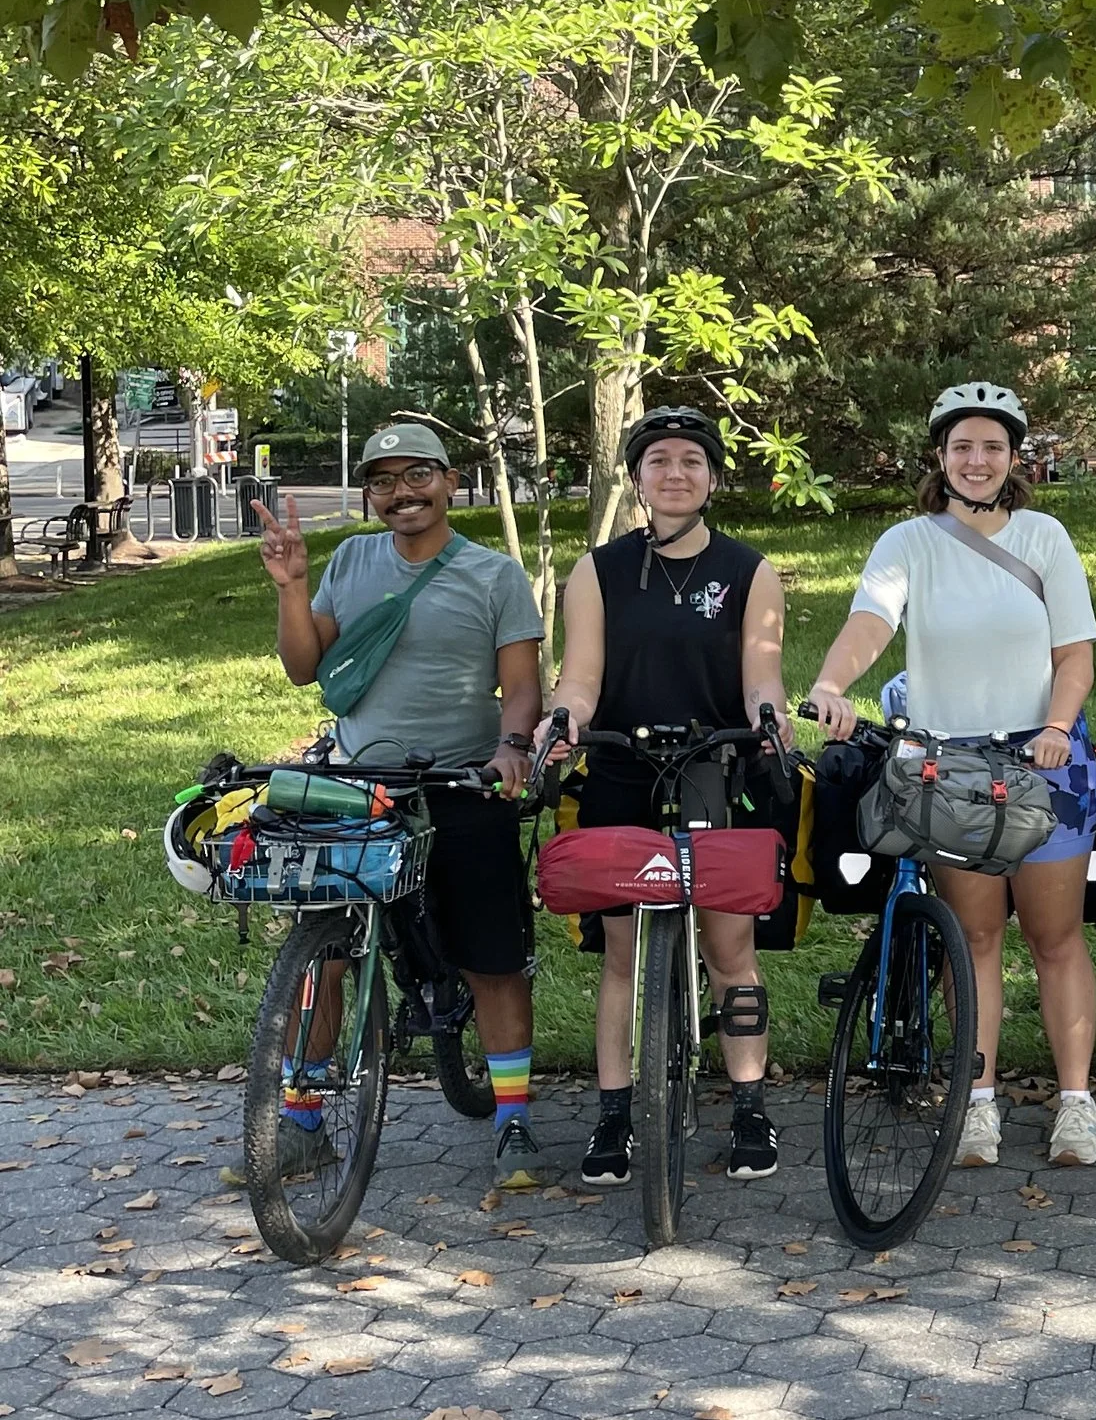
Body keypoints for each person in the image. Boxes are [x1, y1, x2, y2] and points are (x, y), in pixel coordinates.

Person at [809, 384, 1096, 1167]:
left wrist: (1055, 727)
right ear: (940, 456)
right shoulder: (908, 541)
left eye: (993, 447)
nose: (977, 460)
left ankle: (1076, 1103)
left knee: (1054, 936)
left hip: (1043, 762)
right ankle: (978, 1101)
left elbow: (1075, 654)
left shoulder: (1044, 536)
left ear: (1015, 458)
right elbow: (871, 621)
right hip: (952, 770)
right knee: (974, 936)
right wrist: (832, 682)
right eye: (963, 446)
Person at [254, 417, 544, 1169]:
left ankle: (512, 1118)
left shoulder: (494, 575)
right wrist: (291, 587)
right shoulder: (352, 560)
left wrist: (511, 750)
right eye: (382, 480)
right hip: (358, 788)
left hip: (461, 779)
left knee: (491, 956)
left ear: (451, 481)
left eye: (418, 474)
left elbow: (521, 689)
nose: (401, 492)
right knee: (323, 952)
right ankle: (302, 1121)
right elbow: (302, 664)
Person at [538, 407, 791, 1186]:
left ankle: (749, 1103)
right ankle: (614, 1112)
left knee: (729, 948)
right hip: (620, 765)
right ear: (638, 477)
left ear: (713, 477)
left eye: (691, 460)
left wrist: (768, 721)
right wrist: (565, 718)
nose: (674, 473)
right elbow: (580, 675)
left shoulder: (750, 571)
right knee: (621, 952)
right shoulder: (600, 569)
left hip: (712, 764)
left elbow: (762, 677)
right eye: (658, 461)